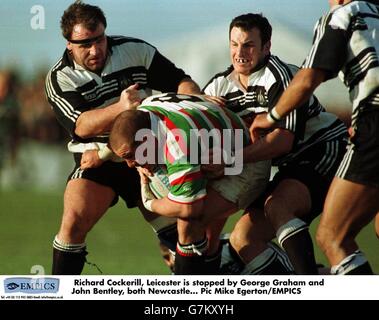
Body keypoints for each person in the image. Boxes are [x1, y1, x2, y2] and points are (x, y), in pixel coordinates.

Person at [45, 1, 201, 275]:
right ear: (68, 43)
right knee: (73, 222)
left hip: (148, 156)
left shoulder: (135, 51)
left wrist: (195, 104)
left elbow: (180, 81)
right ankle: (58, 292)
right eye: (85, 44)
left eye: (100, 39)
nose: (96, 50)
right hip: (98, 162)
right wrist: (121, 107)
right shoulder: (60, 78)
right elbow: (81, 125)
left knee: (183, 233)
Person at [203, 13, 348, 274]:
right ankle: (320, 277)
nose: (239, 53)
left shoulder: (281, 77)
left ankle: (309, 286)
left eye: (248, 45)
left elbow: (282, 142)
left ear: (267, 47)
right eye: (234, 44)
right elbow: (194, 127)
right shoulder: (218, 87)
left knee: (279, 206)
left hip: (324, 149)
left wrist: (229, 159)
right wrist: (202, 108)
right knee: (243, 239)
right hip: (288, 166)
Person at [250, 1, 379, 274]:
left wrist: (271, 117)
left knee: (333, 236)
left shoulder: (344, 15)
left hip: (374, 124)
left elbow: (308, 79)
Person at [108, 92, 271, 274]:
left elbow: (189, 209)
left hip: (246, 164)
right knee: (204, 237)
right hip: (221, 151)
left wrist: (149, 202)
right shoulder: (145, 109)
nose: (130, 165)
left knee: (190, 223)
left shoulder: (178, 143)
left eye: (130, 156)